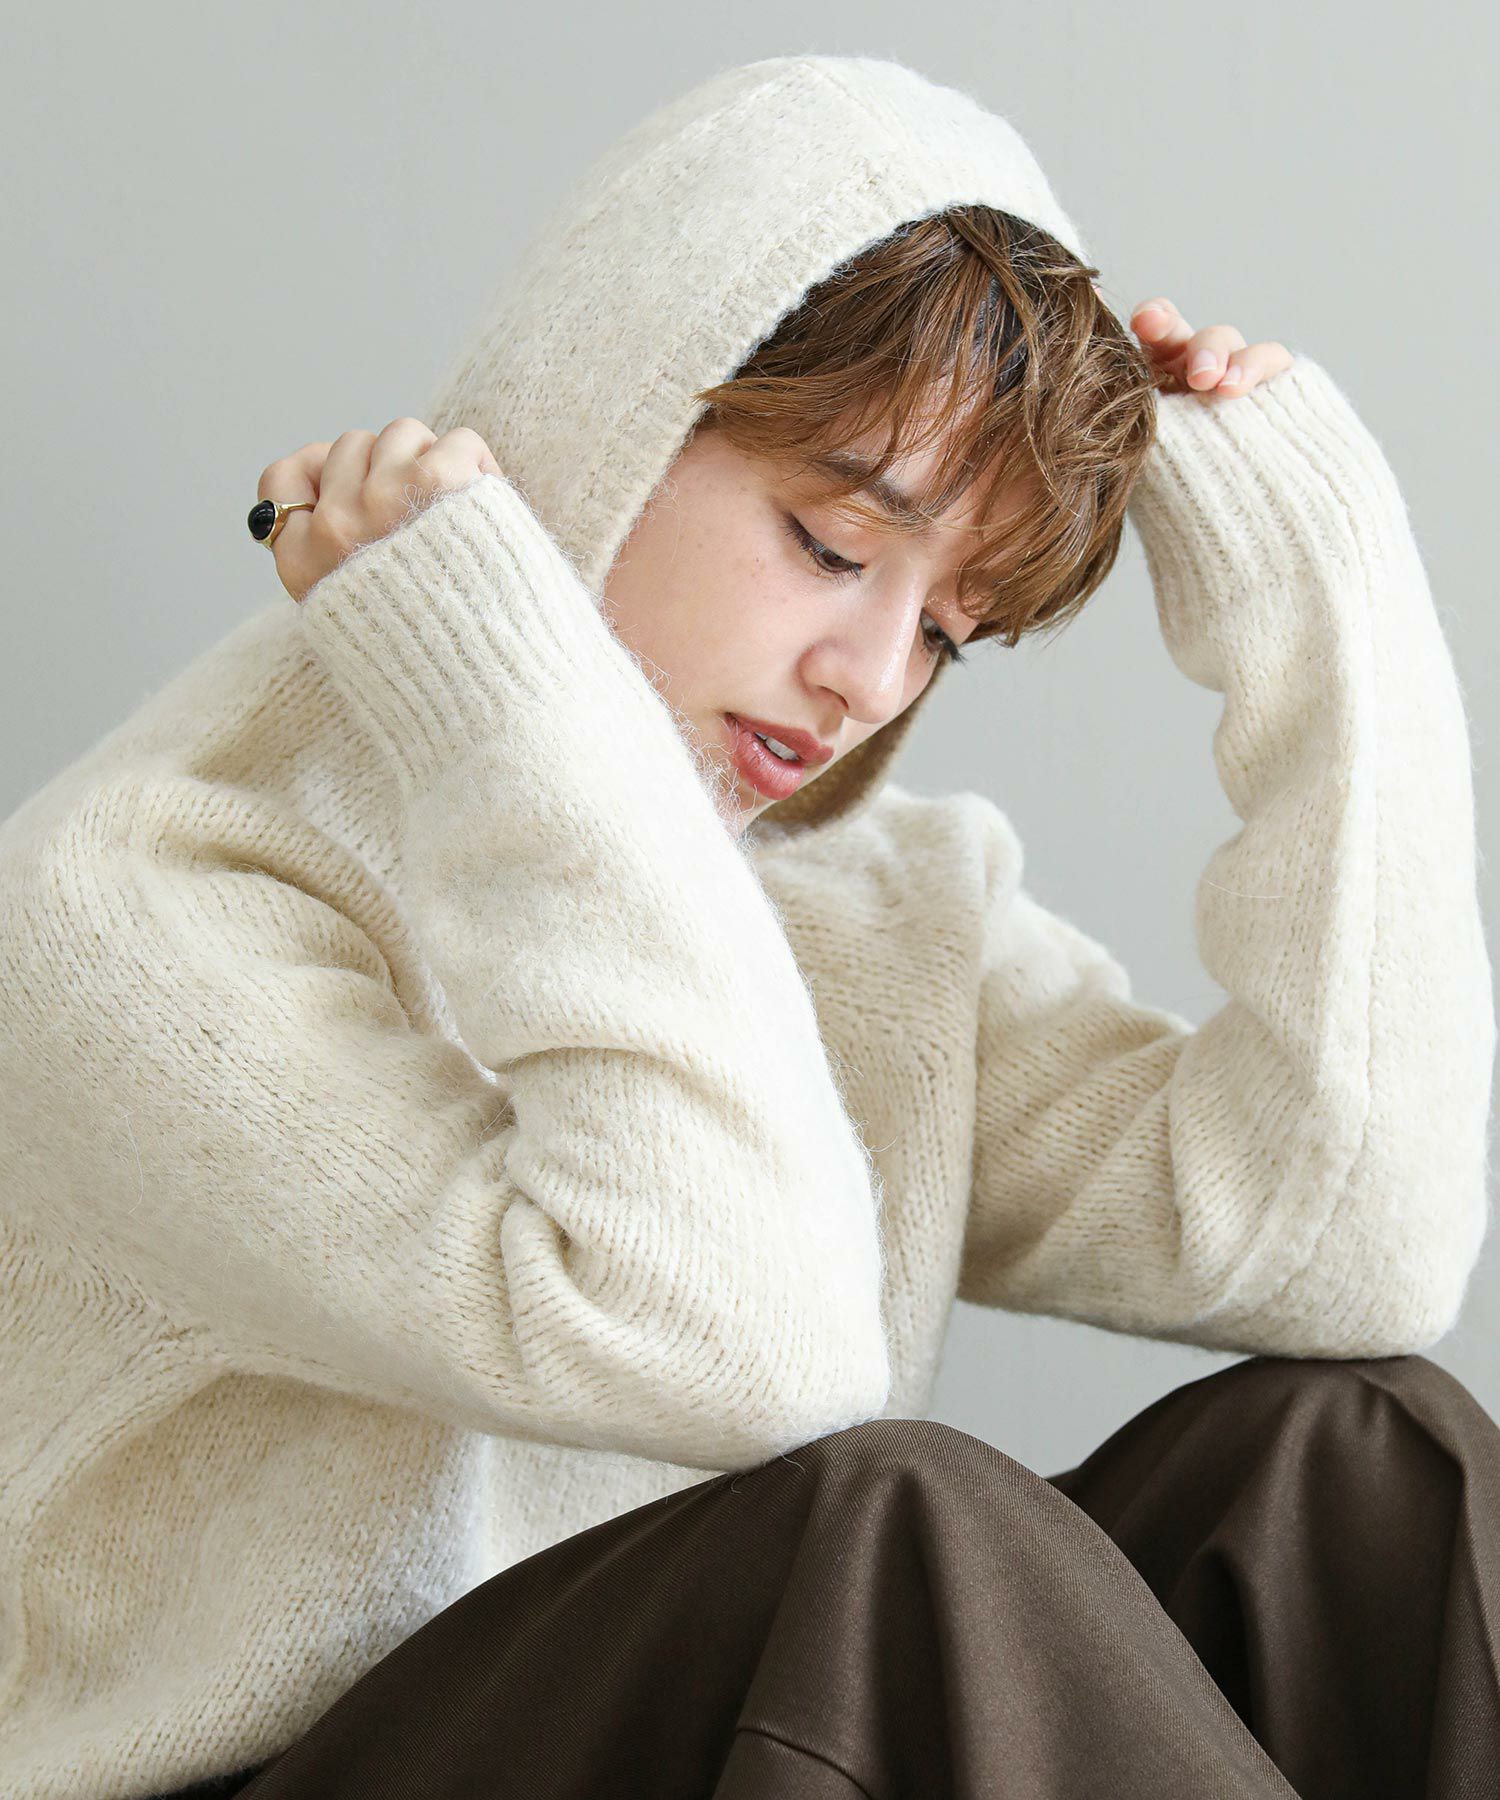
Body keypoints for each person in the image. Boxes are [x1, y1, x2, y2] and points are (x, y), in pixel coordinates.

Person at [0, 51, 1492, 1800]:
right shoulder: (147, 903)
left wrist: (1323, 586)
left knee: (1359, 1451)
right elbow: (748, 1355)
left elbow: (1347, 1248)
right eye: (832, 545)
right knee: (894, 1531)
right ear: (605, 425)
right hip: (258, 1778)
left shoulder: (868, 902)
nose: (870, 679)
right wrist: (516, 694)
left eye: (948, 630)